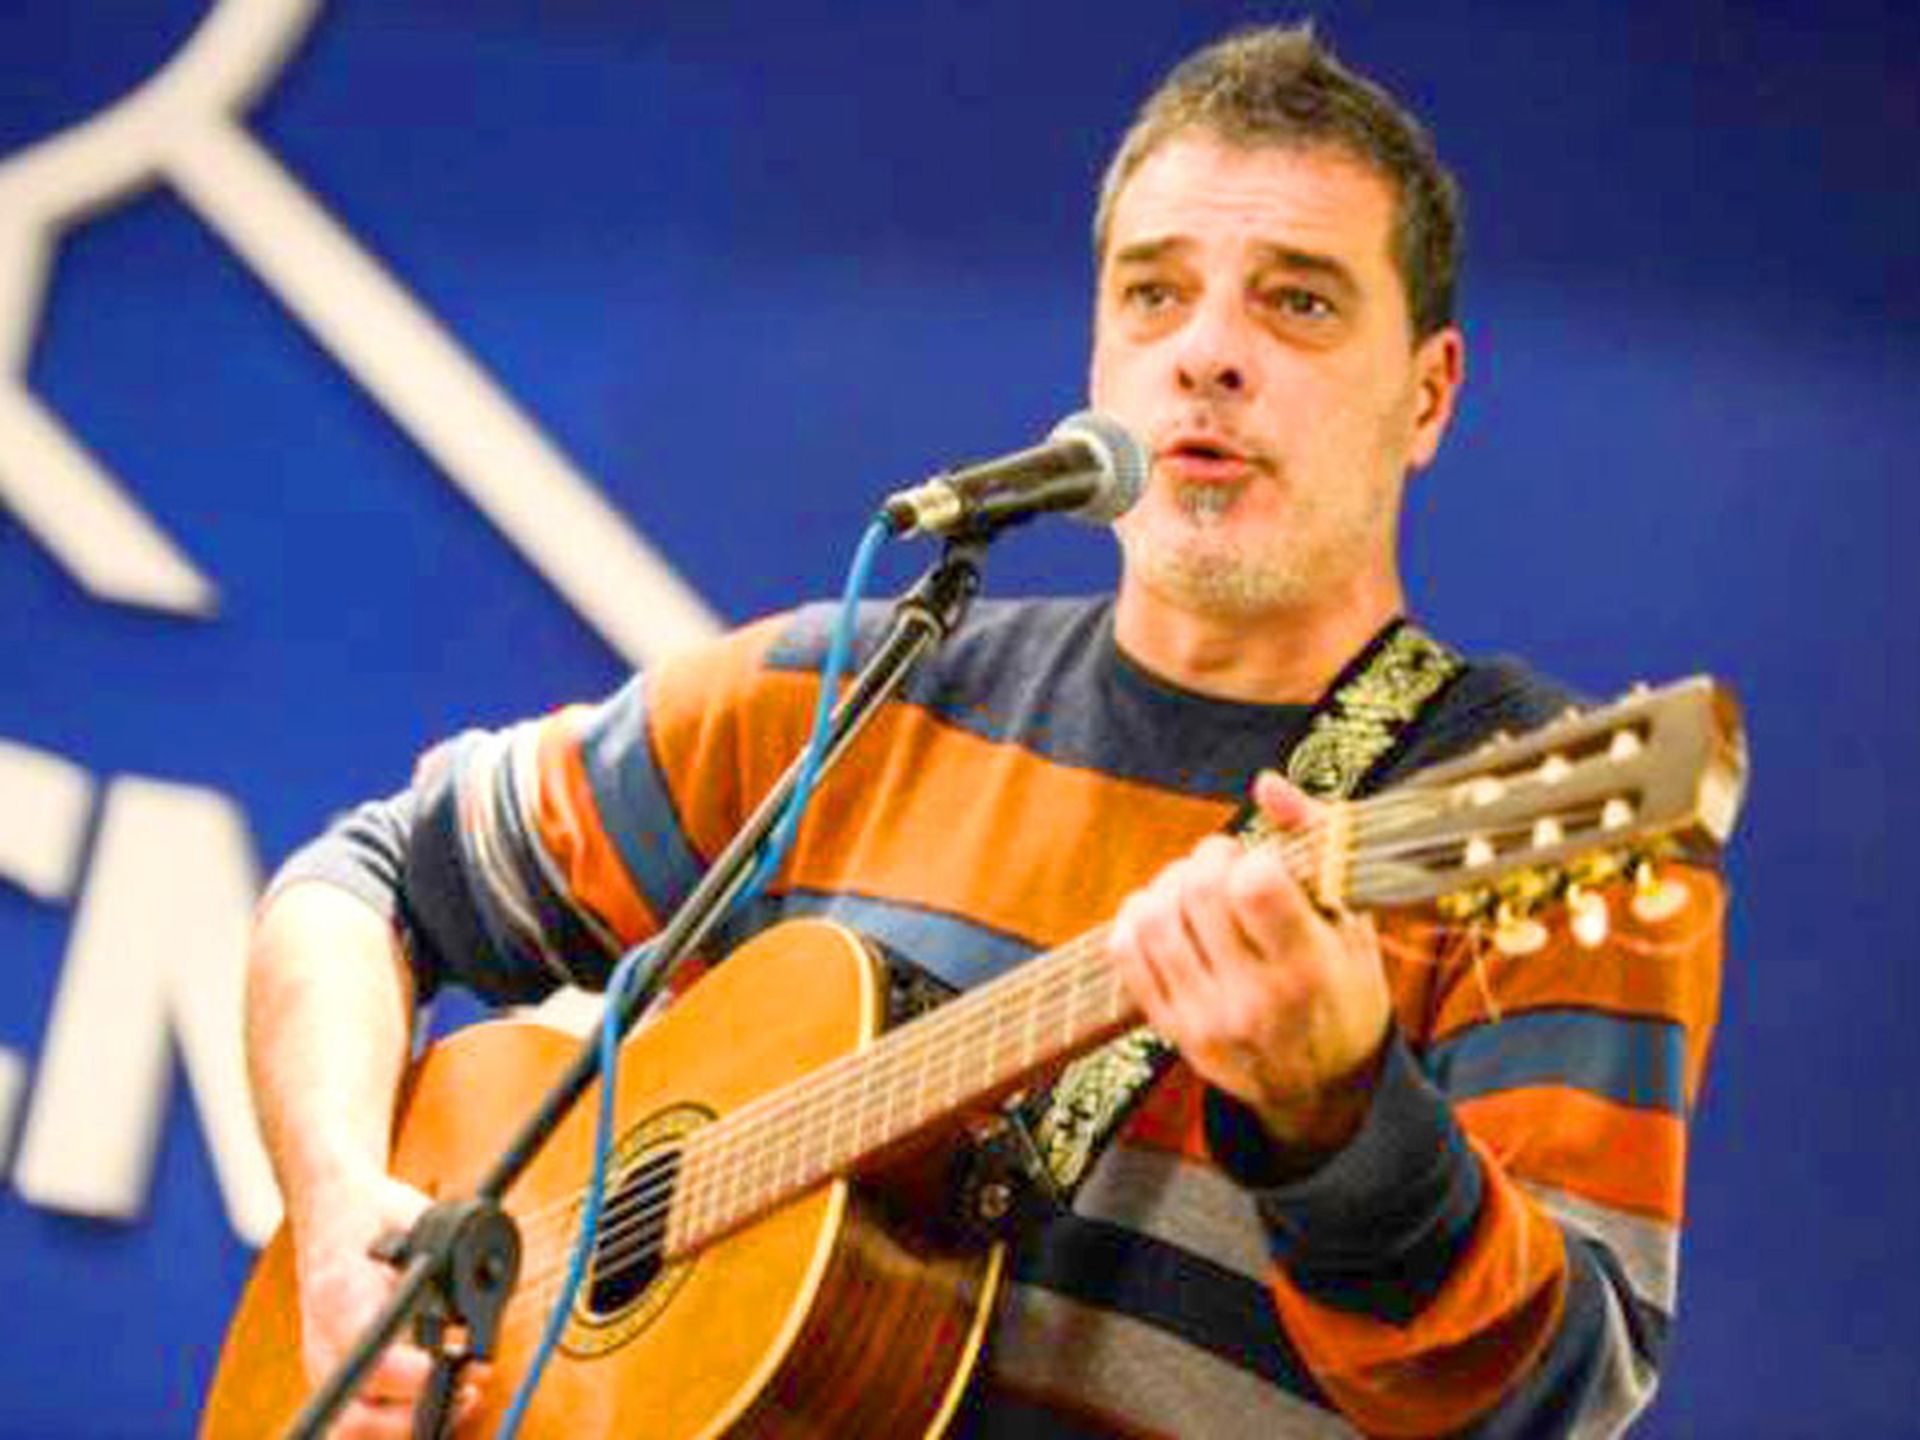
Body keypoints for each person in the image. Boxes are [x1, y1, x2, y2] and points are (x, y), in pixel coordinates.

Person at [245, 23, 1725, 1438]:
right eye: (1154, 293)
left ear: (1429, 397)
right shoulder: (844, 697)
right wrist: (336, 1226)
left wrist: (1344, 1120)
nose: (1208, 353)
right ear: (1098, 360)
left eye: (1299, 302)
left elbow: (1557, 1400)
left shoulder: (1523, 809)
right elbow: (365, 881)